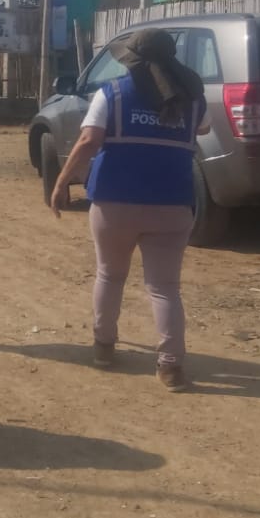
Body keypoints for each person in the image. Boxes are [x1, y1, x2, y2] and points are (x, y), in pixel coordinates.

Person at [48, 28, 209, 393]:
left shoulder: (113, 94)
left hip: (114, 203)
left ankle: (104, 348)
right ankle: (171, 367)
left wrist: (61, 182)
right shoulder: (193, 99)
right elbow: (204, 128)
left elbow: (88, 140)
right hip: (173, 203)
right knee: (165, 288)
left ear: (132, 61)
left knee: (110, 275)